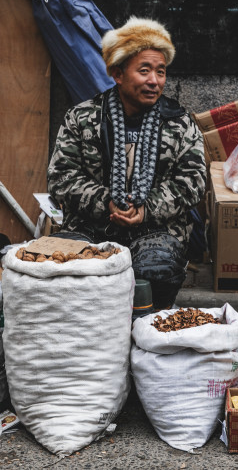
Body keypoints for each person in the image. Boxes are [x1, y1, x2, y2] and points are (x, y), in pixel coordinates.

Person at [47, 17, 206, 308]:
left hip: (157, 229)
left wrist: (146, 209)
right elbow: (61, 178)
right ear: (118, 74)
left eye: (160, 71)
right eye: (144, 70)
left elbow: (193, 182)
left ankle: (146, 334)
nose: (154, 81)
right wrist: (106, 202)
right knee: (67, 269)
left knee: (154, 270)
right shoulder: (82, 118)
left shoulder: (180, 123)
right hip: (90, 226)